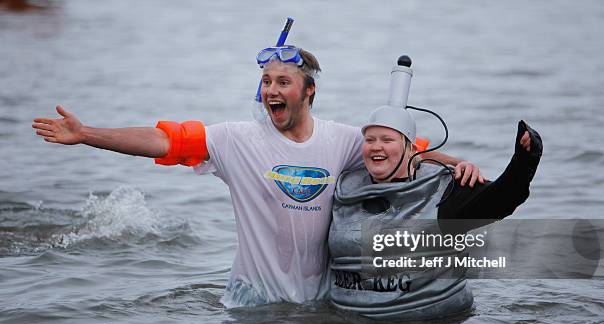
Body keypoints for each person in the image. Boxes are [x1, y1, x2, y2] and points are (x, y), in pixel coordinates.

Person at [32, 45, 483, 307]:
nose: (271, 90)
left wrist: (456, 164)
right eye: (266, 81)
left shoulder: (344, 141)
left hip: (322, 303)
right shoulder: (237, 140)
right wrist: (86, 133)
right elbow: (163, 140)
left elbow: (405, 153)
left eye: (283, 82)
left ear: (309, 91)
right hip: (252, 303)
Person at [327, 103, 542, 319]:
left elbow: (502, 198)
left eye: (387, 140)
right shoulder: (344, 187)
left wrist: (524, 161)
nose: (376, 146)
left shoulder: (444, 189)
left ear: (411, 149)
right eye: (370, 140)